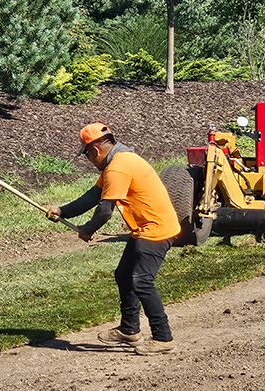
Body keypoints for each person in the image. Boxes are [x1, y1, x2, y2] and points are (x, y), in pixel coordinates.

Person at [47, 123, 180, 356]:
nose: (89, 160)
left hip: (155, 230)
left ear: (95, 150)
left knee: (142, 281)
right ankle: (129, 330)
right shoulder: (121, 159)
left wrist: (88, 229)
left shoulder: (118, 167)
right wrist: (62, 211)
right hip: (145, 228)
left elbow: (105, 210)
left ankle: (163, 338)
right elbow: (92, 196)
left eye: (87, 155)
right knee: (123, 275)